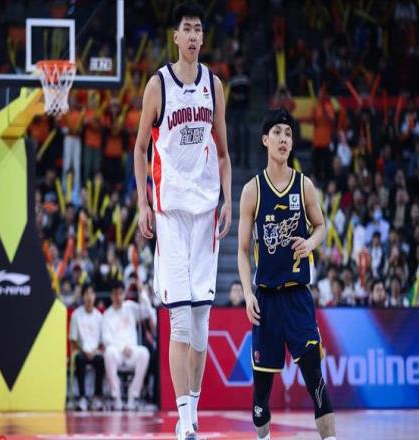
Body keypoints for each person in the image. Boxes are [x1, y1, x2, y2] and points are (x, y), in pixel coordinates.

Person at [133, 2, 232, 438]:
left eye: (198, 29)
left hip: (206, 213)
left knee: (203, 323)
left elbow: (224, 154)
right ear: (175, 37)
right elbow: (140, 149)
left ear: (203, 38)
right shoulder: (158, 85)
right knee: (180, 321)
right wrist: (142, 203)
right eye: (186, 29)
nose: (193, 36)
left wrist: (227, 199)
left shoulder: (214, 85)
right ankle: (185, 419)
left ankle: (192, 408)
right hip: (171, 214)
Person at [238, 108, 337, 440]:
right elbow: (241, 250)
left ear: (292, 143)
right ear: (265, 140)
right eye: (277, 133)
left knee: (316, 383)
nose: (283, 139)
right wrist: (247, 293)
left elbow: (321, 226)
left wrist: (310, 243)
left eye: (289, 134)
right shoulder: (252, 190)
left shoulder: (304, 185)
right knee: (260, 399)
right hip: (266, 301)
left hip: (297, 297)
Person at [102, 281, 152, 411]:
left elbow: (147, 311)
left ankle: (133, 395)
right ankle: (116, 396)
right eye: (115, 294)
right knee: (108, 352)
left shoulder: (130, 307)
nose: (118, 297)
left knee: (144, 353)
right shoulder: (107, 314)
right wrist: (121, 348)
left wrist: (142, 293)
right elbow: (106, 339)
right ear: (111, 295)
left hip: (132, 352)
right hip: (117, 353)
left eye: (120, 294)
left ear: (124, 294)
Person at [69, 284, 104, 411]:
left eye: (91, 293)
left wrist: (94, 351)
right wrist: (84, 351)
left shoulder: (99, 317)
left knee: (101, 360)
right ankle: (82, 397)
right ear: (83, 296)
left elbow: (102, 342)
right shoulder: (76, 315)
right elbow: (73, 340)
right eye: (86, 294)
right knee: (80, 359)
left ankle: (97, 397)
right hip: (81, 351)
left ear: (94, 296)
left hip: (95, 351)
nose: (89, 297)